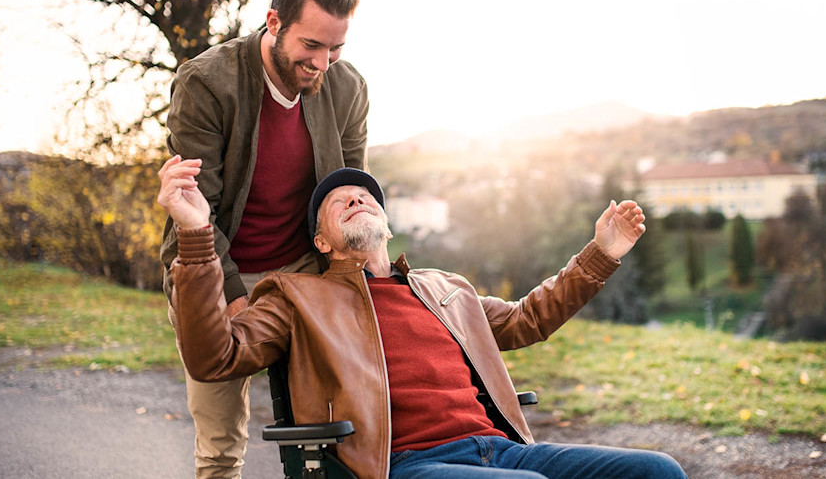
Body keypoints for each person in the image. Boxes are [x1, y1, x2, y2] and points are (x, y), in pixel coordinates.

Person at [158, 158, 688, 479]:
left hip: (501, 451)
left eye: (365, 196)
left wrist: (601, 252)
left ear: (387, 226)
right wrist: (196, 238)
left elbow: (529, 318)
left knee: (657, 472)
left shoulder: (444, 289)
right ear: (321, 241)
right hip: (406, 464)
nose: (356, 198)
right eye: (338, 201)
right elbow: (214, 357)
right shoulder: (298, 298)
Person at [157, 0, 367, 476]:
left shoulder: (348, 89)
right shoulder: (208, 83)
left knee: (339, 432)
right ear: (274, 21)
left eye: (336, 49)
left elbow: (351, 196)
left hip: (302, 270)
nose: (322, 65)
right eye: (312, 46)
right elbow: (198, 212)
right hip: (214, 268)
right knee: (221, 444)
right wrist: (232, 300)